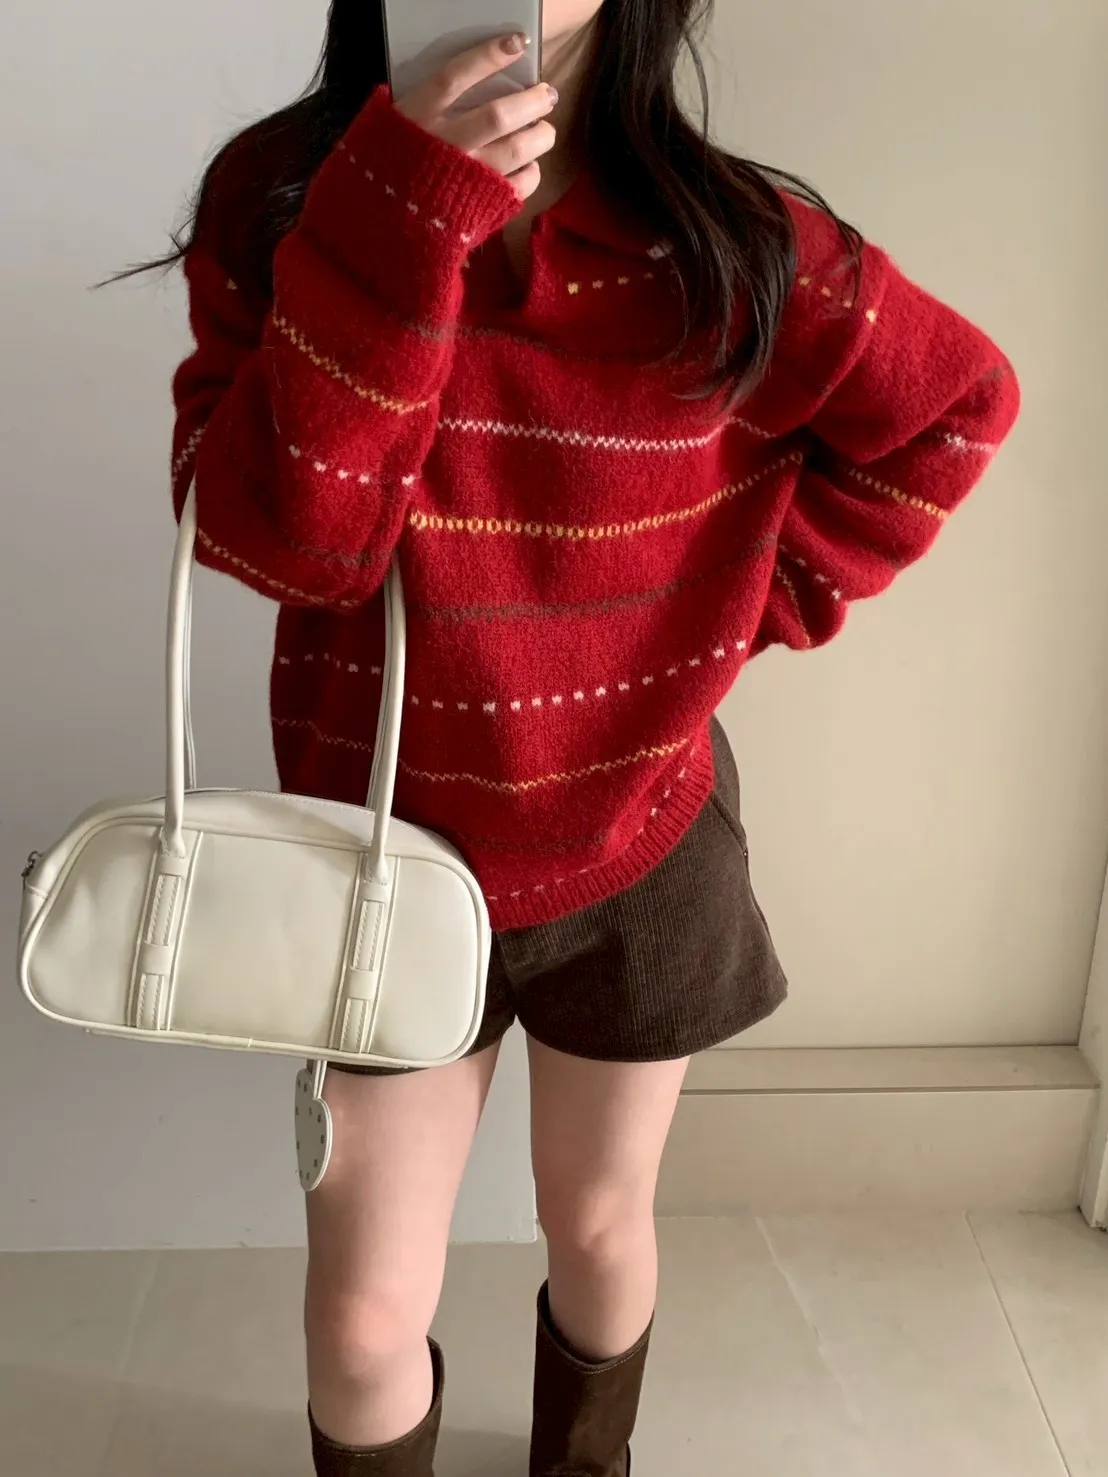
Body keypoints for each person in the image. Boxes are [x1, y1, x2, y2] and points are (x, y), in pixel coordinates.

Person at [160, 1, 1020, 1472]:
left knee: (600, 1224)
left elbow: (956, 409)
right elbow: (281, 543)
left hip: (639, 850)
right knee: (361, 1323)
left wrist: (747, 609)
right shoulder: (283, 201)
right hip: (380, 867)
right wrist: (399, 214)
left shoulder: (734, 245)